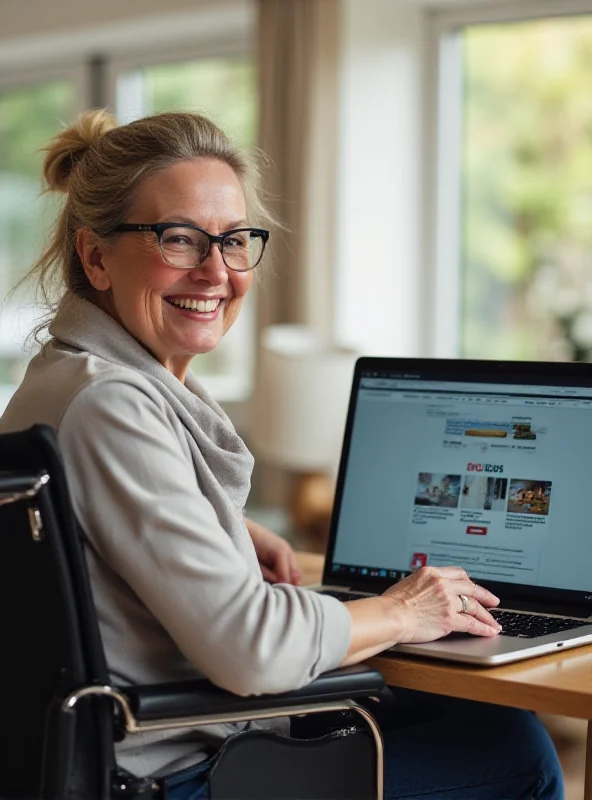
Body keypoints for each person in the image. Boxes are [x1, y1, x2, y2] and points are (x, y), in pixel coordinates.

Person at [0, 110, 564, 799]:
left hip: (123, 749)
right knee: (515, 751)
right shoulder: (112, 403)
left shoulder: (64, 378)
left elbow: (80, 536)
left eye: (235, 241)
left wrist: (222, 529)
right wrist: (404, 611)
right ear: (95, 257)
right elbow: (251, 648)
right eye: (179, 238)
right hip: (176, 773)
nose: (216, 272)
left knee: (465, 716)